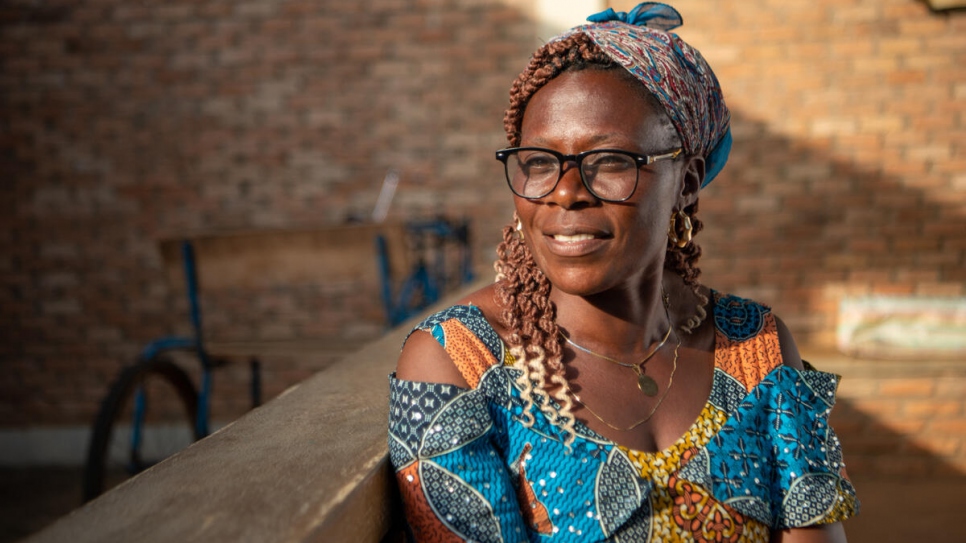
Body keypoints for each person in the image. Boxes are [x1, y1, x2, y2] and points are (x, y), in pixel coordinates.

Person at [388, 3, 859, 541]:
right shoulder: (460, 360)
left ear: (687, 182)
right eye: (539, 162)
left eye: (611, 161)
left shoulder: (757, 349)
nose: (565, 193)